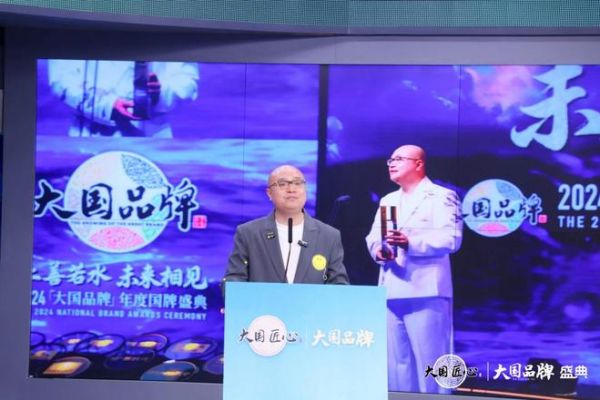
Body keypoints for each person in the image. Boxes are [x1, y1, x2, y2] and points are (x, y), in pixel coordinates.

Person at [365, 145, 463, 393]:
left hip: (426, 291)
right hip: (391, 290)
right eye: (390, 159)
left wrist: (410, 242)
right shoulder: (388, 200)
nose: (391, 163)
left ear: (418, 164)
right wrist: (378, 250)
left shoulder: (441, 196)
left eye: (398, 159)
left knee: (430, 363)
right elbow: (374, 237)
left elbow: (451, 239)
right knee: (397, 365)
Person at [225, 165, 349, 285]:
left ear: (305, 189)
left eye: (297, 183)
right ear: (269, 193)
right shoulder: (248, 234)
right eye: (283, 184)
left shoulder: (329, 236)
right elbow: (233, 281)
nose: (291, 189)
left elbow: (339, 285)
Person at [47, 60, 199, 138]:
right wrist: (107, 106)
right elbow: (62, 80)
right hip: (91, 136)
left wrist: (159, 93)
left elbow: (186, 82)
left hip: (153, 137)